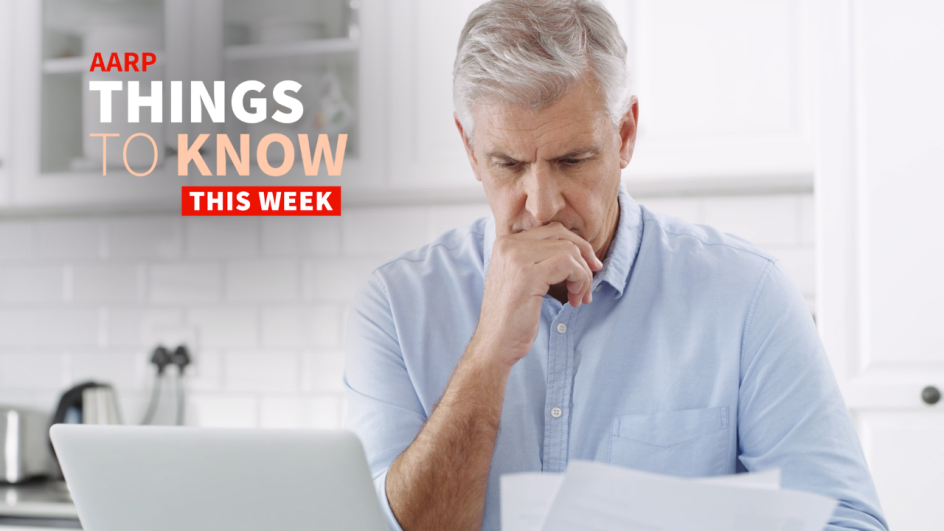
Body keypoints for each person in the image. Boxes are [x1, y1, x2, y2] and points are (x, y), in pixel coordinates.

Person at [344, 1, 888, 530]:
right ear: (469, 149)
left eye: (572, 160)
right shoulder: (395, 306)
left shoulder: (747, 294)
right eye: (508, 164)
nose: (542, 204)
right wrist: (488, 353)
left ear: (624, 134)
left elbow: (848, 520)